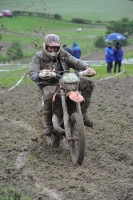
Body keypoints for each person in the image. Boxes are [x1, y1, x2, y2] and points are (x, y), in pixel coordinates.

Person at [29, 34, 96, 137]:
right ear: (46, 46)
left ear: (59, 47)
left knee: (87, 84)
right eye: (51, 47)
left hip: (65, 81)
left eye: (55, 47)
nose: (53, 50)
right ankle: (48, 124)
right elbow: (32, 73)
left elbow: (76, 62)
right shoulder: (38, 56)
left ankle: (83, 113)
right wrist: (40, 74)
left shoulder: (64, 54)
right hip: (48, 83)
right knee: (49, 95)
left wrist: (86, 68)